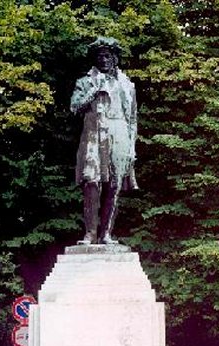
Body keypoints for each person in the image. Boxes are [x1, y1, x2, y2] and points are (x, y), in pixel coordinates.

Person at [70, 36, 138, 245]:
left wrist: (132, 147)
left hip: (120, 133)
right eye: (100, 56)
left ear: (115, 58)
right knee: (92, 181)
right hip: (94, 133)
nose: (104, 60)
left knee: (115, 184)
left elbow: (133, 118)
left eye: (108, 56)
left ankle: (106, 233)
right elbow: (74, 107)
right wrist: (94, 91)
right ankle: (90, 233)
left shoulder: (127, 85)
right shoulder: (84, 82)